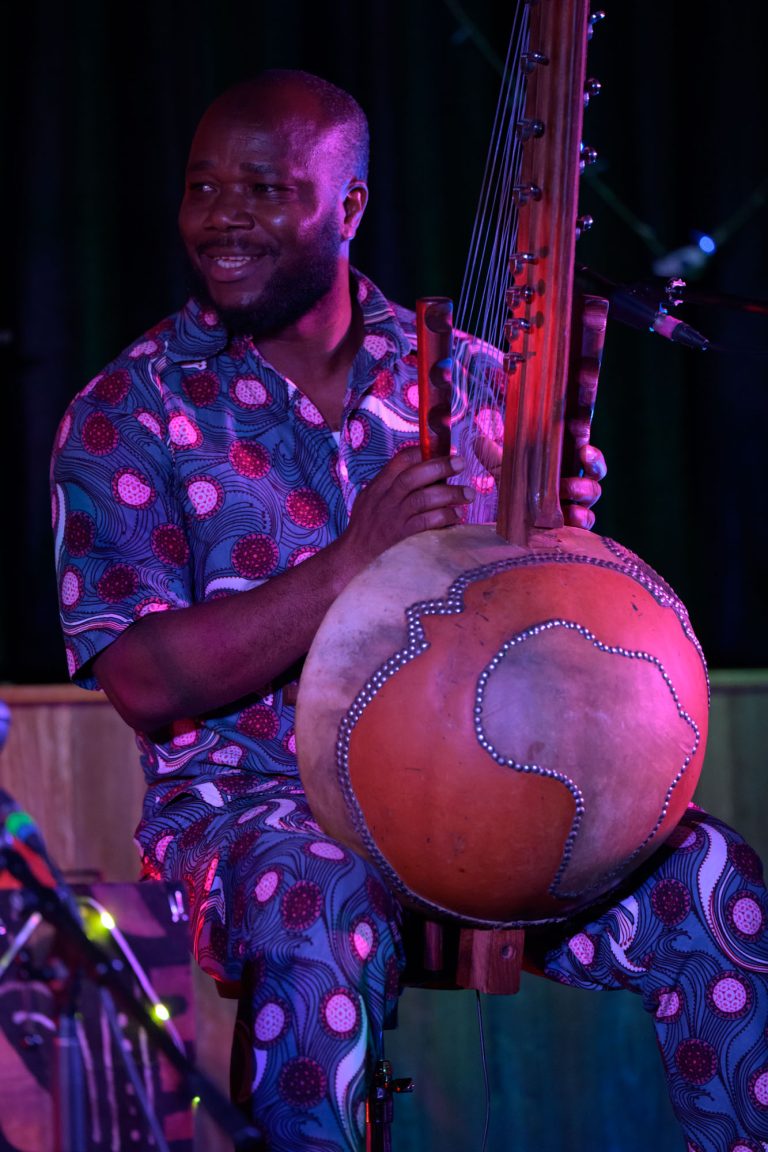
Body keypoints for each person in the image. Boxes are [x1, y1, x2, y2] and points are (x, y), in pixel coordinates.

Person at [50, 70, 768, 1152]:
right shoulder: (128, 410)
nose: (222, 216)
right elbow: (142, 683)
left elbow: (534, 627)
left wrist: (556, 537)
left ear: (349, 207)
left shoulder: (471, 378)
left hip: (489, 794)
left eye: (263, 188)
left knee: (713, 881)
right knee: (319, 886)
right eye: (202, 187)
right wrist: (351, 564)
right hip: (255, 813)